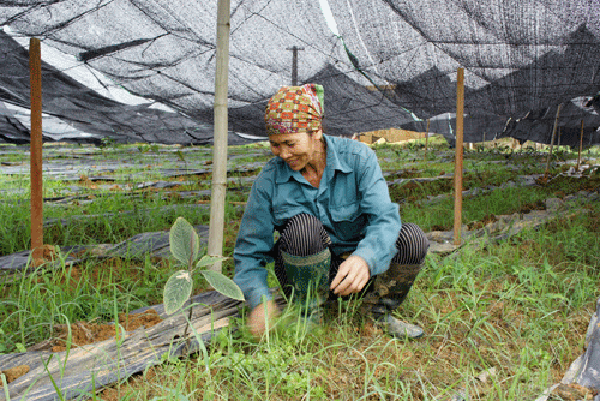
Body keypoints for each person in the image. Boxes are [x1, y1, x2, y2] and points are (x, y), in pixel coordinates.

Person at [233, 84, 429, 339]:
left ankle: (375, 316)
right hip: (304, 277)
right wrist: (260, 301)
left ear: (316, 131)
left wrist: (365, 258)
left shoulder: (359, 159)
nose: (283, 154)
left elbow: (385, 218)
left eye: (290, 144)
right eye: (275, 145)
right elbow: (248, 250)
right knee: (303, 227)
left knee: (411, 238)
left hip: (357, 273)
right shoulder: (269, 180)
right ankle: (310, 318)